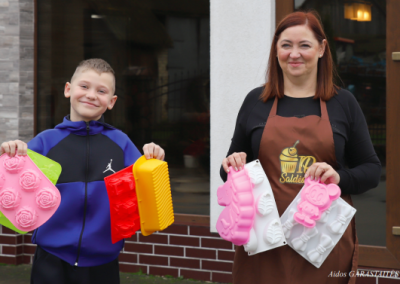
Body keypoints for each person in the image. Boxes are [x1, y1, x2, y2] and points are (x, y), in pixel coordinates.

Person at [220, 11, 381, 284]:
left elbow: (371, 170)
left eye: (304, 45)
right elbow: (228, 173)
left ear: (321, 49)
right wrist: (233, 165)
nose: (294, 54)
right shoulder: (255, 102)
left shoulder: (343, 103)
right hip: (264, 242)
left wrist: (339, 177)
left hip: (322, 243)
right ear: (276, 50)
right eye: (286, 45)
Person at [0, 58, 165, 284]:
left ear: (111, 101)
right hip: (52, 256)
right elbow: (11, 186)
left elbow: (148, 194)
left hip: (103, 259)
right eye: (84, 86)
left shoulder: (122, 143)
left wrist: (152, 159)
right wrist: (10, 152)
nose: (91, 95)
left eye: (101, 90)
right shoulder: (45, 142)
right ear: (68, 90)